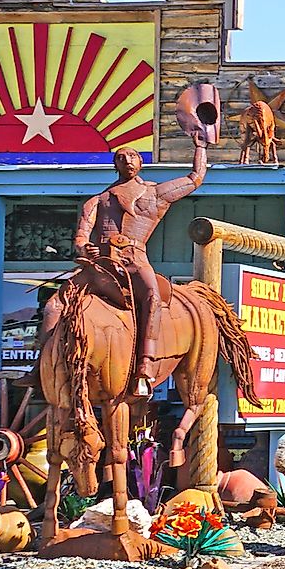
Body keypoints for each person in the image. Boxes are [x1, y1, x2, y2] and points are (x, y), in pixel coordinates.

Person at [70, 126, 210, 399]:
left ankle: (145, 366)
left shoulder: (155, 194)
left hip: (135, 259)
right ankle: (41, 365)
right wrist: (86, 249)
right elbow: (80, 237)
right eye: (120, 158)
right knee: (60, 300)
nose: (127, 161)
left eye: (132, 156)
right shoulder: (96, 201)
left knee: (152, 296)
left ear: (141, 162)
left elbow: (195, 178)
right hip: (101, 263)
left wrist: (200, 147)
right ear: (114, 165)